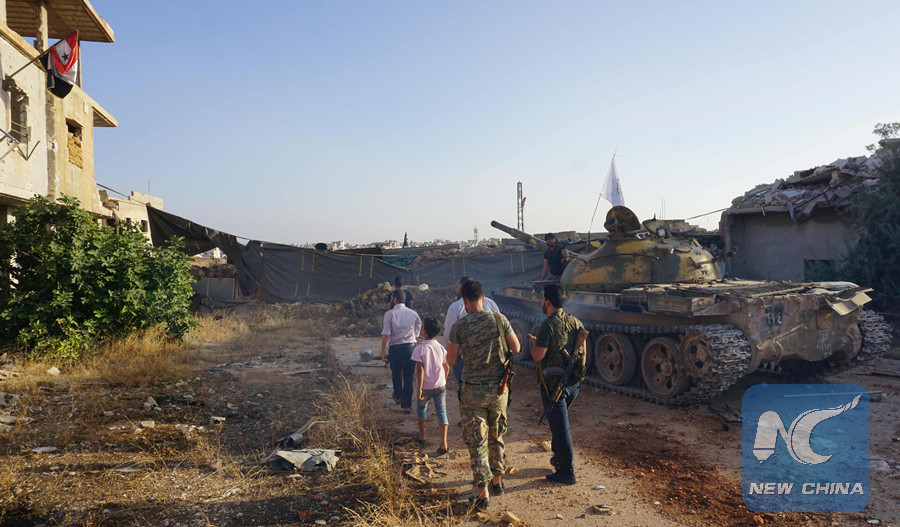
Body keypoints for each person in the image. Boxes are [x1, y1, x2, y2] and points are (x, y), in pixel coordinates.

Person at [447, 280, 521, 510]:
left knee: (477, 442)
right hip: (498, 391)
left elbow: (451, 360)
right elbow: (516, 348)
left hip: (472, 392)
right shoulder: (500, 319)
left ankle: (483, 493)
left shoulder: (459, 326)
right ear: (483, 297)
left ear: (464, 300)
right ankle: (498, 481)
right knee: (496, 435)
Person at [528, 283, 586, 485]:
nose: (542, 302)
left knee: (561, 430)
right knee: (558, 425)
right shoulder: (575, 321)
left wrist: (534, 344)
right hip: (572, 384)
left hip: (554, 386)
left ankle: (567, 472)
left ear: (547, 302)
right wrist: (578, 377)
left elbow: (538, 355)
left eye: (542, 299)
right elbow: (583, 352)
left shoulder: (548, 325)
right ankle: (559, 459)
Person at [442, 276, 500, 386]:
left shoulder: (455, 307)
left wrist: (448, 352)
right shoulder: (491, 304)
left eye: (457, 288)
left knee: (466, 388)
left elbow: (448, 334)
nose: (456, 291)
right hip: (490, 357)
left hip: (465, 359)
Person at [412, 316, 450, 454]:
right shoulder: (441, 348)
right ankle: (444, 443)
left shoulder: (419, 349)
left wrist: (419, 389)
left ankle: (421, 436)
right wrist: (443, 380)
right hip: (440, 386)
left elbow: (420, 370)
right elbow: (446, 367)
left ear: (424, 331)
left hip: (425, 387)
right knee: (442, 411)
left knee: (421, 409)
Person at [381, 289, 422, 413]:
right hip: (410, 347)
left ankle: (398, 396)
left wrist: (383, 351)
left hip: (395, 348)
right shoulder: (413, 313)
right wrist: (414, 336)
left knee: (396, 374)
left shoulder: (389, 314)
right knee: (408, 377)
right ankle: (406, 405)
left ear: (394, 299)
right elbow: (418, 325)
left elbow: (386, 334)